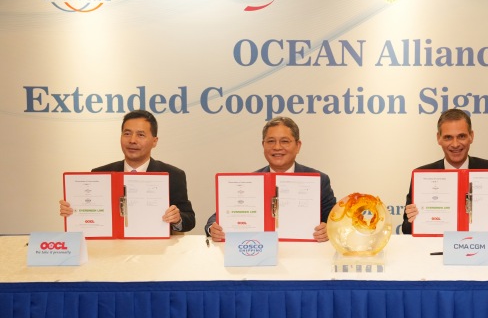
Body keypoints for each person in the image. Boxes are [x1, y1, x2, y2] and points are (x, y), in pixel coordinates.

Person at [59, 110, 196, 231]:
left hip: (155, 248)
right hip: (111, 248)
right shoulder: (100, 174)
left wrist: (177, 219)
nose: (132, 140)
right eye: (127, 133)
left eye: (140, 135)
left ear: (154, 141)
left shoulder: (173, 175)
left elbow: (189, 219)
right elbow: (92, 212)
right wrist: (74, 210)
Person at [205, 116, 336, 242]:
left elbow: (335, 221)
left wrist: (328, 229)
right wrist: (213, 228)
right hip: (259, 250)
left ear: (298, 146)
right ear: (263, 145)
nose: (277, 147)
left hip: (304, 252)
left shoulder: (319, 180)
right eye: (271, 141)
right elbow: (219, 217)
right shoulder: (250, 182)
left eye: (285, 141)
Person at [401, 109, 488, 234]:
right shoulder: (422, 175)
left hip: (478, 244)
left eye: (461, 136)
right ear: (438, 138)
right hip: (436, 245)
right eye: (448, 137)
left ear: (471, 136)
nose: (455, 144)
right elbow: (406, 229)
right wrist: (412, 220)